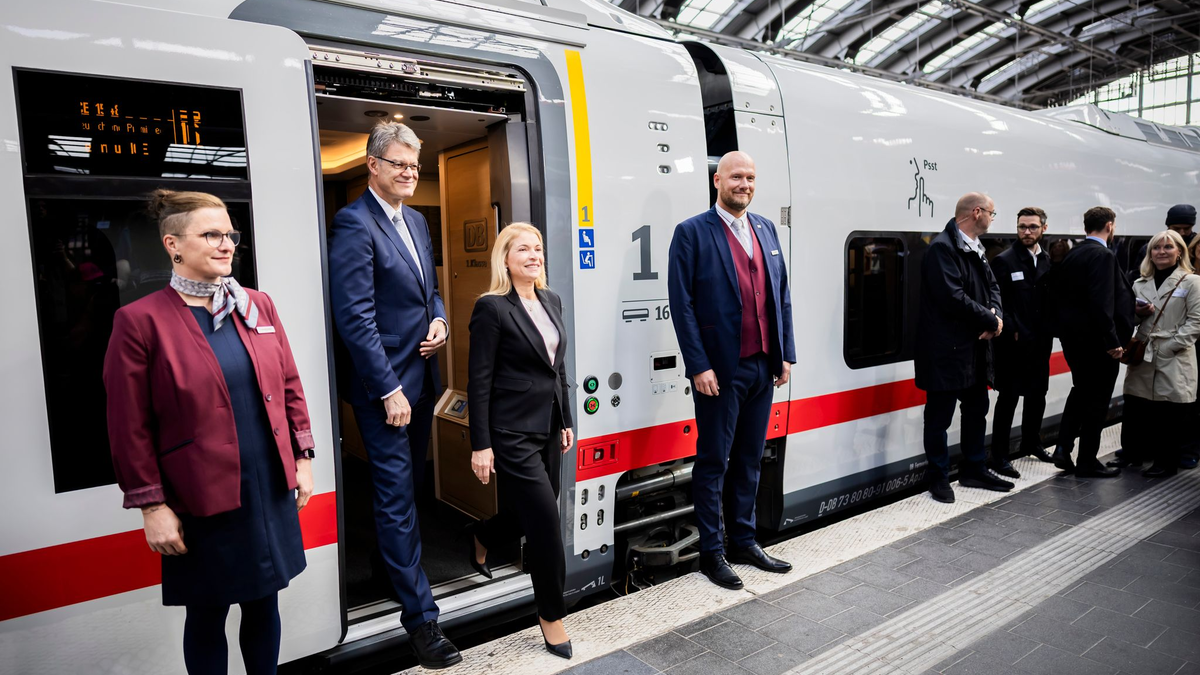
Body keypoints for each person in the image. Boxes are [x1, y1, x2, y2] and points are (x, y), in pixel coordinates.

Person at [104, 190, 315, 675]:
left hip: (266, 485)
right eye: (211, 235)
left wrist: (303, 457)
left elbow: (288, 384)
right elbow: (128, 426)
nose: (226, 245)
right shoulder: (139, 322)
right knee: (207, 611)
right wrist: (152, 507)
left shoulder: (257, 305)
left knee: (265, 603)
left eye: (229, 235)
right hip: (199, 496)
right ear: (173, 244)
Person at [327, 122, 459, 668]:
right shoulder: (353, 224)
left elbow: (430, 291)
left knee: (411, 486)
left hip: (421, 380)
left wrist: (441, 321)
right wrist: (388, 390)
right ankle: (421, 621)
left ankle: (390, 568)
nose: (409, 173)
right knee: (396, 497)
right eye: (399, 164)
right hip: (386, 391)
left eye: (414, 165)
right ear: (372, 166)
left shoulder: (419, 222)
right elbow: (353, 317)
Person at [667, 151, 796, 591]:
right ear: (717, 180)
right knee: (713, 461)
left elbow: (780, 296)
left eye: (751, 177)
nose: (745, 184)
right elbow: (681, 306)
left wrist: (786, 354)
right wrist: (698, 364)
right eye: (737, 176)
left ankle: (744, 540)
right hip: (719, 371)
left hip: (763, 365)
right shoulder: (691, 232)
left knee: (749, 457)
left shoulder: (766, 228)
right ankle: (712, 551)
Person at [467, 223, 575, 659]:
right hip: (510, 432)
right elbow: (479, 380)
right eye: (524, 249)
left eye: (538, 248)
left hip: (548, 427)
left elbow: (558, 367)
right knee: (547, 524)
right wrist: (481, 444)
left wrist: (565, 418)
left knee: (526, 512)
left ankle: (481, 535)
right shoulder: (491, 308)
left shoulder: (551, 300)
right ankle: (551, 615)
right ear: (505, 258)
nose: (534, 255)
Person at [914, 193, 1014, 504]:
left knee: (976, 410)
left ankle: (974, 467)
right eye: (992, 214)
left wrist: (996, 316)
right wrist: (991, 320)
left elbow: (993, 287)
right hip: (945, 351)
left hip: (973, 348)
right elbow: (952, 297)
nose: (993, 219)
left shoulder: (975, 248)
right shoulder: (943, 248)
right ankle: (938, 477)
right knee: (939, 417)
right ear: (977, 212)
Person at [1050, 206, 1135, 478]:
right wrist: (1113, 341)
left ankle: (1063, 448)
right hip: (1099, 344)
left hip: (1075, 342)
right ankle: (1087, 461)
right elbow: (1100, 303)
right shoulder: (1103, 255)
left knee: (1080, 391)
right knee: (1098, 403)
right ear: (1110, 226)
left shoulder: (1073, 254)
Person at [1121, 229, 1200, 477]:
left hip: (1174, 355)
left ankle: (1166, 463)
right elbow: (1128, 318)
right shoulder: (1139, 283)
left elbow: (1196, 322)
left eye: (1168, 247)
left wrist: (1170, 346)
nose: (1161, 252)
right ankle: (1134, 455)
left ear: (1179, 252)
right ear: (1150, 254)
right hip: (1144, 352)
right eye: (1156, 248)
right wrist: (1137, 314)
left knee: (1169, 412)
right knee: (1139, 406)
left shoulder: (1192, 282)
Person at [989, 207, 1055, 475]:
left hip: (1040, 341)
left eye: (1032, 227)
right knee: (1009, 399)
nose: (1026, 232)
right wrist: (1013, 328)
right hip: (1013, 344)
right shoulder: (1005, 260)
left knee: (1038, 394)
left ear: (1043, 229)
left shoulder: (1047, 260)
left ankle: (1032, 442)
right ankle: (999, 456)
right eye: (1022, 227)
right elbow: (996, 300)